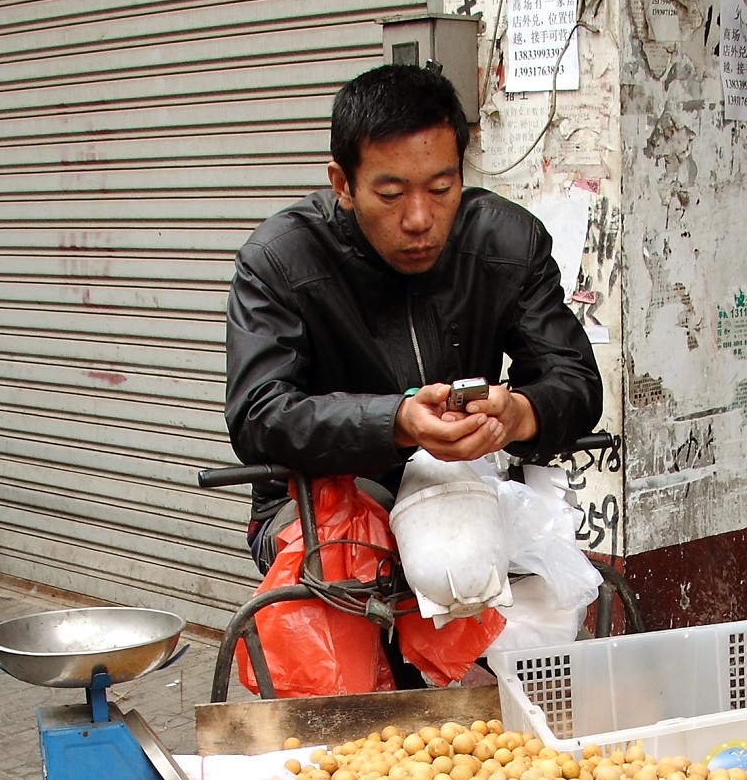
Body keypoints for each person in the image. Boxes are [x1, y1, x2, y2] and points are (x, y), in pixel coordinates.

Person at [224, 63, 603, 571]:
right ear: (343, 183)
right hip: (321, 506)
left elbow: (575, 379)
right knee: (353, 566)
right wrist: (398, 421)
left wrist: (519, 413)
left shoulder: (507, 243)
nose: (419, 219)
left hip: (466, 492)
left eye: (442, 188)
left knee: (539, 601)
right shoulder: (280, 259)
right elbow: (259, 413)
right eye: (391, 195)